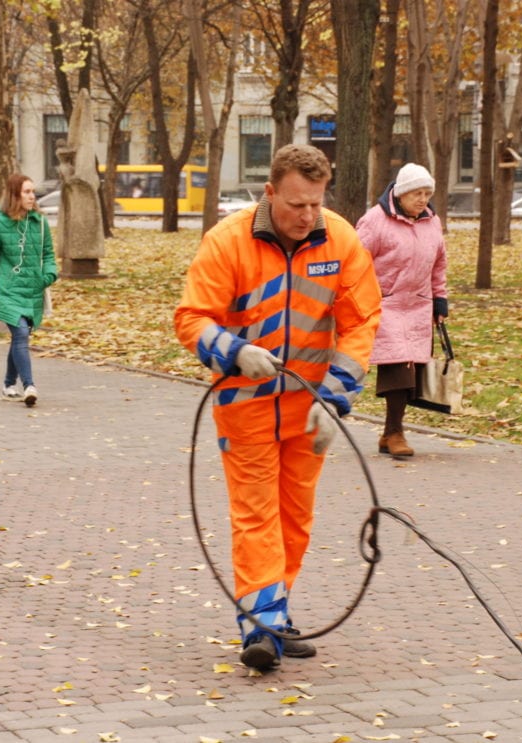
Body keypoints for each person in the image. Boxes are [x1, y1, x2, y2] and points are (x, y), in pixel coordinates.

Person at [174, 144, 381, 671]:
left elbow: (362, 321)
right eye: (296, 205)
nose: (307, 216)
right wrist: (235, 351)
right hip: (243, 406)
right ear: (270, 193)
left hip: (308, 410)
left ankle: (274, 611)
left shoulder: (339, 239)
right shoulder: (228, 243)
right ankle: (261, 626)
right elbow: (193, 318)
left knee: (295, 518)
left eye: (315, 203)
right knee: (256, 515)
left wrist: (335, 396)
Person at [354, 162, 449, 458]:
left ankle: (388, 432)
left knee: (413, 371)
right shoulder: (375, 221)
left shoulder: (431, 221)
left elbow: (439, 263)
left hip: (419, 305)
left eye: (426, 193)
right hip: (387, 304)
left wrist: (440, 299)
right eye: (416, 193)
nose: (422, 199)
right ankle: (395, 432)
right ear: (400, 193)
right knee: (398, 367)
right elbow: (355, 261)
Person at [0, 173, 58, 407]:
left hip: (32, 289)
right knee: (20, 334)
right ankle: (29, 385)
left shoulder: (40, 223)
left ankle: (9, 382)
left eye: (32, 192)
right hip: (8, 290)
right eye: (27, 192)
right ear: (14, 195)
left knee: (20, 336)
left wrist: (49, 274)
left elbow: (48, 254)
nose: (32, 196)